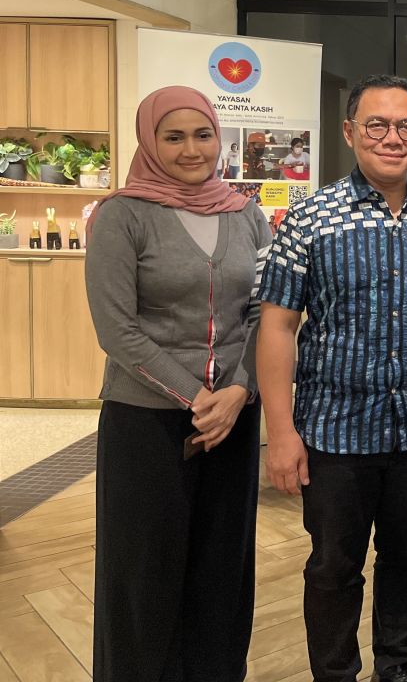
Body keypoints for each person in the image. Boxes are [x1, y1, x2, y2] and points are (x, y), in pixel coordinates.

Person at [257, 74, 407, 682]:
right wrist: (280, 432)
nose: (393, 138)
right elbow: (276, 327)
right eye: (377, 125)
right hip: (333, 433)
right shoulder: (309, 219)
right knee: (333, 566)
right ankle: (335, 673)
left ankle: (397, 666)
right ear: (349, 132)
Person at [85, 86, 272, 681]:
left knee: (222, 565)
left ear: (220, 138)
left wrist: (240, 390)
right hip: (147, 421)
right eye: (174, 136)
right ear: (149, 140)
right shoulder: (122, 215)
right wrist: (198, 398)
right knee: (143, 573)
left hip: (234, 419)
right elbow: (117, 330)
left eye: (202, 134)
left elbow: (266, 312)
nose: (191, 149)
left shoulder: (247, 213)